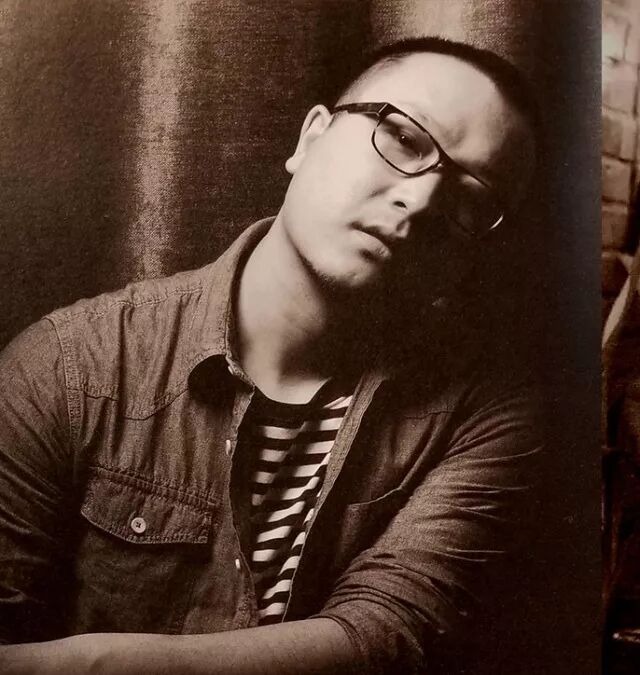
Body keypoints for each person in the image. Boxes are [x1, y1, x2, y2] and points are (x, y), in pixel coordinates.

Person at [0, 37, 540, 674]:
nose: (420, 201)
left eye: (472, 198)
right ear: (311, 137)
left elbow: (389, 634)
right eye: (403, 138)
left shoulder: (487, 410)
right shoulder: (70, 365)